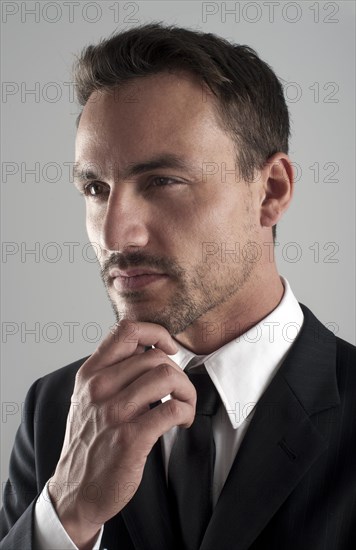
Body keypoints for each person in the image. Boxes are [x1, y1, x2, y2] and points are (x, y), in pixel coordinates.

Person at [1, 23, 355, 550]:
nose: (116, 234)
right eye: (95, 188)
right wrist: (65, 514)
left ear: (271, 191)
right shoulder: (55, 407)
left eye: (162, 181)